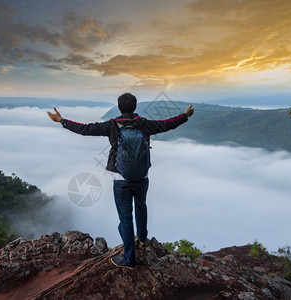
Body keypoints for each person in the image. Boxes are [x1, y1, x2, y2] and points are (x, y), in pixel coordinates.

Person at [47, 93, 194, 269]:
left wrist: (62, 120)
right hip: (142, 176)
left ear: (118, 107)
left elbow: (85, 129)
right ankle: (142, 237)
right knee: (141, 206)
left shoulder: (112, 125)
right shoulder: (144, 124)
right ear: (135, 106)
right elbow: (167, 124)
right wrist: (185, 116)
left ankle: (129, 259)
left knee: (125, 218)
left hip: (120, 178)